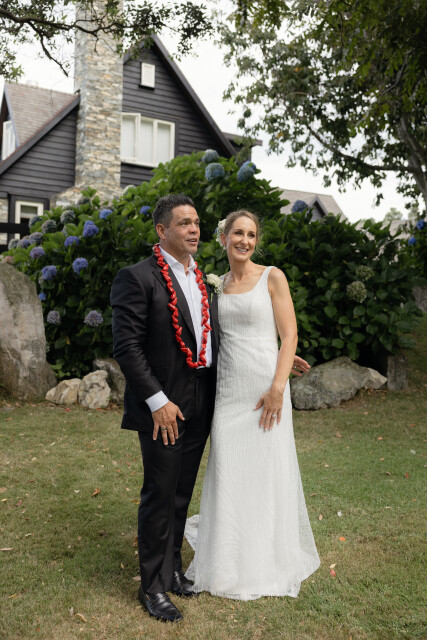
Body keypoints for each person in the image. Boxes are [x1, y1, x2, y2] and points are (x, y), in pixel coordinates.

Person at [110, 195, 311, 622]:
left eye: (197, 223)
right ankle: (152, 587)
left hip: (205, 400)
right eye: (184, 223)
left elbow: (211, 334)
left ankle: (173, 570)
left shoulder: (202, 279)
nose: (193, 229)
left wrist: (274, 359)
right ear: (162, 230)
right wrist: (157, 402)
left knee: (181, 492)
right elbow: (126, 347)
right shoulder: (137, 277)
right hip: (164, 406)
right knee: (160, 492)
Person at [186, 210, 320, 600]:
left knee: (265, 469)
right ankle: (227, 561)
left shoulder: (272, 277)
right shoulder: (216, 285)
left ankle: (264, 557)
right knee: (229, 467)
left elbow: (289, 334)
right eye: (238, 233)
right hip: (229, 391)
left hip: (266, 389)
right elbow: (217, 339)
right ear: (223, 238)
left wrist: (278, 385)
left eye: (251, 235)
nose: (245, 240)